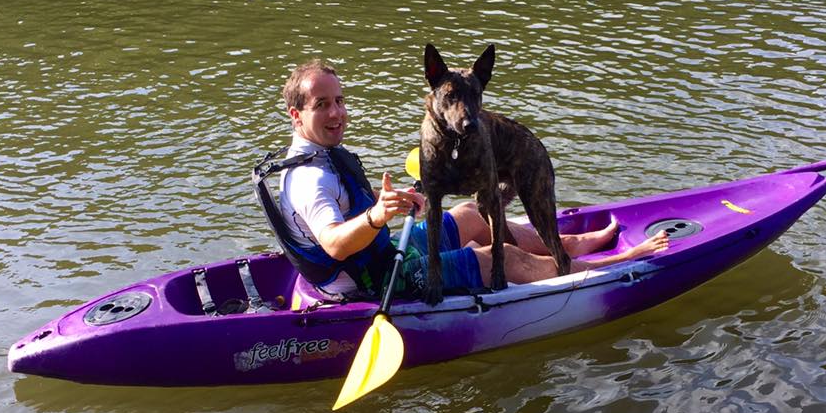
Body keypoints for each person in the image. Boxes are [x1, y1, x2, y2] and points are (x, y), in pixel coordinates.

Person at [278, 59, 669, 299]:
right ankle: (621, 262)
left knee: (470, 213)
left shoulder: (323, 155)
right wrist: (378, 217)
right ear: (296, 116)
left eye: (340, 101)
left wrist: (396, 205)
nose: (337, 113)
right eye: (322, 106)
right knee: (500, 258)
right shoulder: (310, 178)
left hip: (382, 253)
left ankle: (576, 243)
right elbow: (332, 244)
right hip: (374, 281)